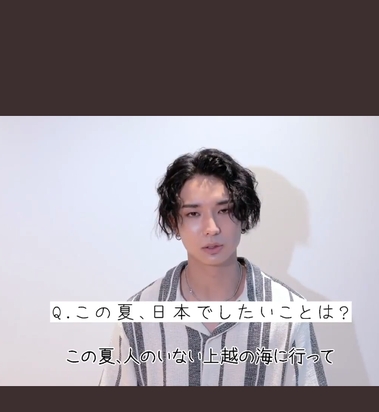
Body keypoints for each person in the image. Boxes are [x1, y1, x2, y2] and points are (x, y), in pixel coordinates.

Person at [99, 148, 328, 386]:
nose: (212, 228)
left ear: (243, 213)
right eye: (193, 213)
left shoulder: (289, 312)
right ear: (174, 222)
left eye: (224, 210)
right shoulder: (136, 316)